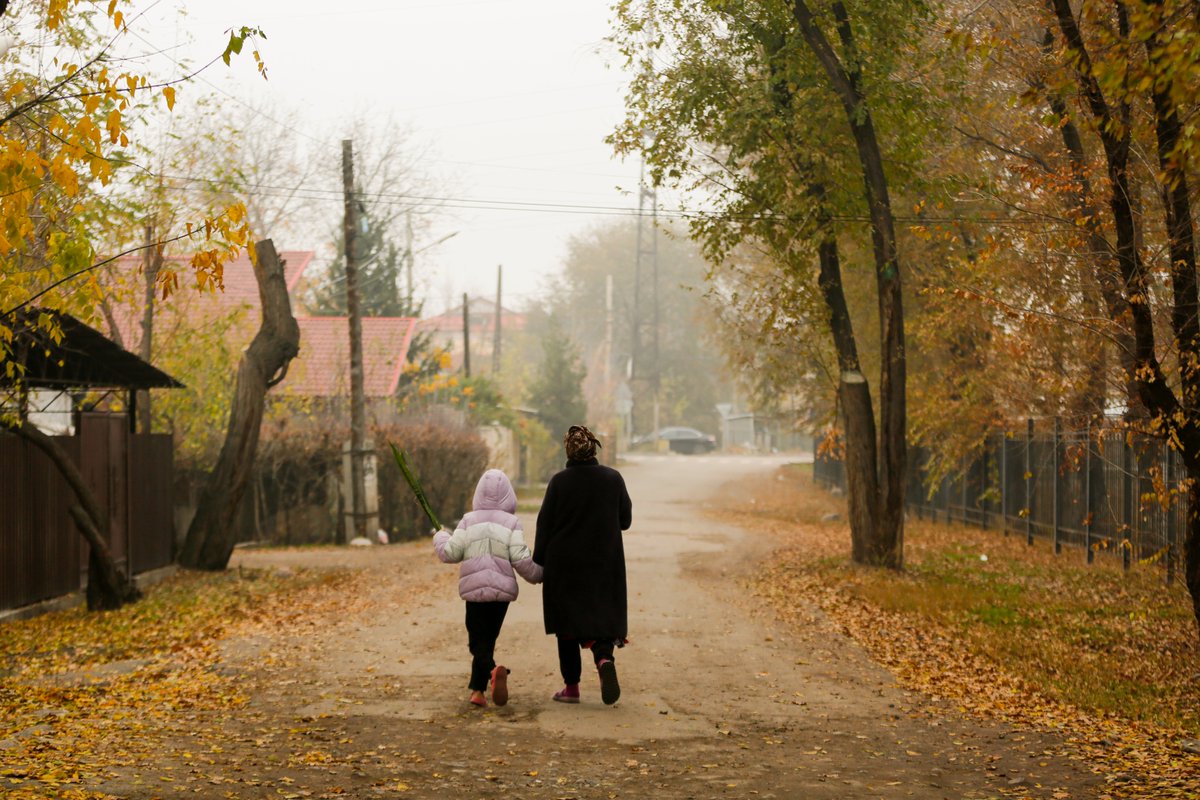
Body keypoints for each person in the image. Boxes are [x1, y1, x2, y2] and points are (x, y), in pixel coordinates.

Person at [533, 425, 632, 706]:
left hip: (564, 565)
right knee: (600, 618)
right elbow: (625, 520)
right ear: (593, 450)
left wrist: (539, 560)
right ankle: (603, 658)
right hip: (604, 562)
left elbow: (545, 524)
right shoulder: (613, 479)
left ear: (569, 452)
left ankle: (572, 688)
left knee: (567, 625)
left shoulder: (559, 482)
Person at [434, 468, 542, 708]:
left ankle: (493, 672)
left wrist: (441, 536)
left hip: (474, 592)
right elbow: (521, 559)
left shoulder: (468, 520)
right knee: (488, 640)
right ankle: (478, 692)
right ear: (508, 495)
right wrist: (539, 575)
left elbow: (450, 553)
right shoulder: (512, 522)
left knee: (477, 643)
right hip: (501, 596)